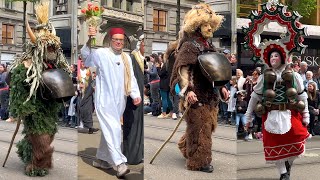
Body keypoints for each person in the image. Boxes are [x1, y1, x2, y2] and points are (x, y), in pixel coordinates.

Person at [8, 2, 73, 176]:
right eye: (48, 47)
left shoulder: (55, 66)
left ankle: (31, 157)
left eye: (53, 47)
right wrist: (23, 108)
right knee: (42, 140)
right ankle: (38, 164)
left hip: (48, 111)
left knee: (48, 134)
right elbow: (17, 88)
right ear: (39, 48)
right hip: (34, 111)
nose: (51, 50)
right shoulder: (26, 66)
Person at [170, 3, 228, 173]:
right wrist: (188, 92)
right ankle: (199, 162)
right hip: (195, 96)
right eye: (205, 24)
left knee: (206, 127)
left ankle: (185, 145)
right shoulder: (189, 46)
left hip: (210, 95)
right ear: (196, 26)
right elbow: (182, 71)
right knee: (202, 129)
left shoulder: (210, 46)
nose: (209, 28)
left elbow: (216, 71)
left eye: (211, 25)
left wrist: (222, 87)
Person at [81, 27, 141, 177]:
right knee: (114, 129)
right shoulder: (101, 53)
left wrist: (135, 94)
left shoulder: (126, 57)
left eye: (121, 40)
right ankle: (120, 163)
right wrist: (89, 39)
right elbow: (86, 57)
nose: (119, 42)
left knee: (110, 130)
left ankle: (102, 160)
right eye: (116, 40)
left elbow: (131, 77)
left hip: (120, 99)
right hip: (104, 100)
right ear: (111, 40)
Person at [245, 47, 310, 180]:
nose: (273, 58)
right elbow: (254, 97)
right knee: (273, 144)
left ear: (283, 57)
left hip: (290, 113)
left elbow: (302, 96)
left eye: (276, 56)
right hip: (270, 114)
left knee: (297, 140)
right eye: (271, 56)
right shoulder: (264, 76)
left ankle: (288, 164)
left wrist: (306, 114)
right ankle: (283, 173)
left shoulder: (294, 75)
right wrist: (248, 115)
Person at [123, 34, 144, 165]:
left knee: (141, 127)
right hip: (133, 100)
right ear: (140, 44)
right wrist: (134, 95)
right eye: (144, 43)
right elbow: (128, 79)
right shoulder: (132, 58)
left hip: (141, 98)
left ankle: (139, 153)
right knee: (133, 127)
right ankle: (131, 156)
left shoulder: (142, 59)